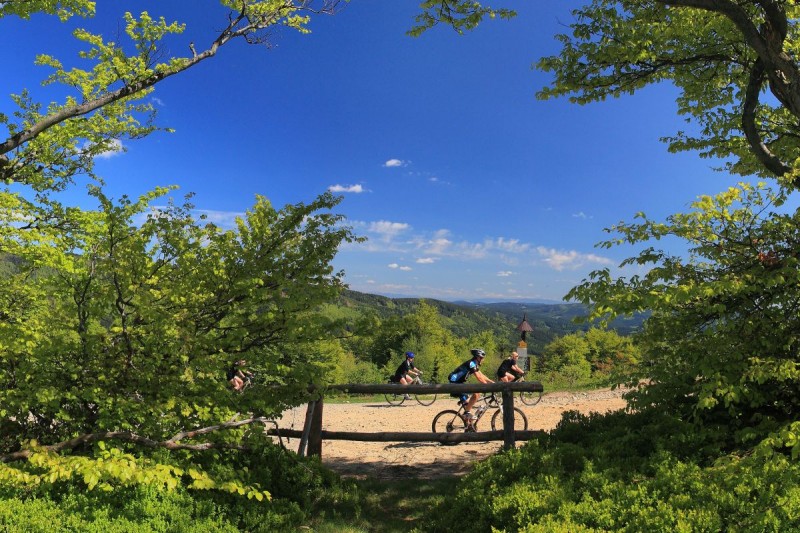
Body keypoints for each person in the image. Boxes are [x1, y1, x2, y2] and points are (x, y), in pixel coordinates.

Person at [448, 348, 494, 422]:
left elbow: (482, 375)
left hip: (460, 384)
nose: (483, 360)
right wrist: (487, 386)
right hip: (454, 384)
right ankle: (466, 413)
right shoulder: (471, 363)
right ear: (477, 357)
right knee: (476, 394)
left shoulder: (474, 364)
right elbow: (479, 378)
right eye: (482, 358)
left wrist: (492, 382)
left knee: (476, 396)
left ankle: (468, 427)